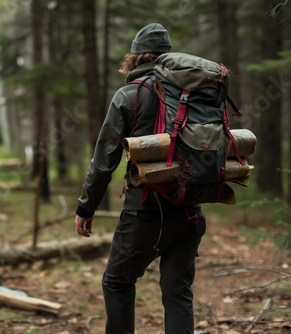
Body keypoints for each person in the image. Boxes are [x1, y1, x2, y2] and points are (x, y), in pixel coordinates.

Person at [74, 23, 206, 334]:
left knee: (117, 283)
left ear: (135, 58)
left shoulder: (128, 95)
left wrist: (85, 208)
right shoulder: (196, 92)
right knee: (178, 294)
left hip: (144, 214)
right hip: (190, 210)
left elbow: (104, 161)